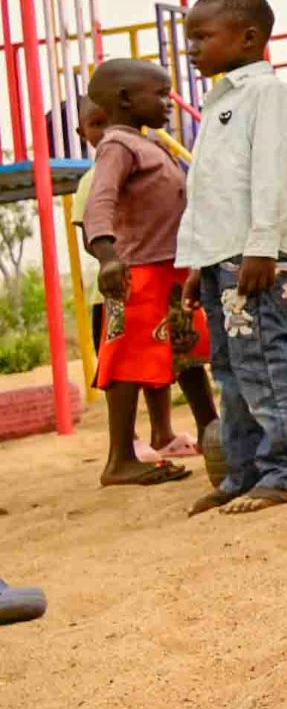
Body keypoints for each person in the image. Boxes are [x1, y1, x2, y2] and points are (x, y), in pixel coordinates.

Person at [175, 0, 287, 516]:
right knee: (231, 370)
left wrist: (263, 248)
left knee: (264, 364)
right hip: (219, 258)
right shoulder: (220, 102)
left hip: (255, 259)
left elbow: (276, 175)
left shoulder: (268, 95)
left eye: (202, 37)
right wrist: (196, 263)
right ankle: (244, 473)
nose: (192, 49)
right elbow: (208, 190)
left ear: (249, 38)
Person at [81, 65, 217, 486]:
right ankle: (119, 458)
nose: (167, 104)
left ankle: (214, 432)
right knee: (126, 361)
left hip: (171, 269)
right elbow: (99, 203)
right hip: (137, 273)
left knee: (189, 353)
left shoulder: (149, 143)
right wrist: (107, 256)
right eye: (159, 95)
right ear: (124, 99)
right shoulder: (117, 146)